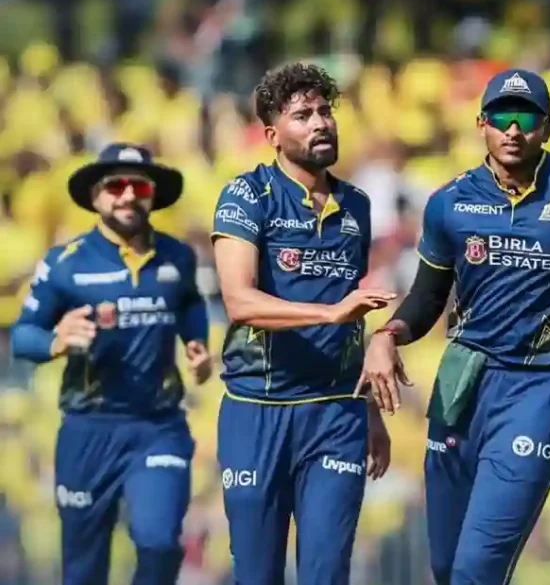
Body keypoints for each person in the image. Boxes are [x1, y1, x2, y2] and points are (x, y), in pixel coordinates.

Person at [355, 69, 550, 585]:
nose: (513, 130)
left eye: (525, 119)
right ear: (482, 124)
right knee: (448, 568)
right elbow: (427, 297)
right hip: (463, 383)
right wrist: (387, 336)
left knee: (477, 570)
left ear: (545, 127)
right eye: (502, 117)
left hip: (539, 388)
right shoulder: (450, 202)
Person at [210, 62, 395, 585]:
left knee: (327, 572)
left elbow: (353, 319)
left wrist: (368, 412)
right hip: (256, 412)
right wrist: (329, 313)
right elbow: (240, 302)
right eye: (302, 115)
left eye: (324, 111)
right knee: (258, 574)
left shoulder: (357, 205)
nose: (320, 123)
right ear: (273, 135)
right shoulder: (247, 197)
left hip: (335, 414)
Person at [11, 143, 212, 585]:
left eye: (138, 185)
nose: (127, 195)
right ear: (96, 197)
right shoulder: (65, 264)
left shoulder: (177, 257)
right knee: (83, 571)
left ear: (152, 194)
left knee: (159, 543)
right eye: (115, 186)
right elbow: (23, 337)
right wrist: (56, 341)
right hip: (88, 430)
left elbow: (191, 305)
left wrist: (196, 343)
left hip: (158, 427)